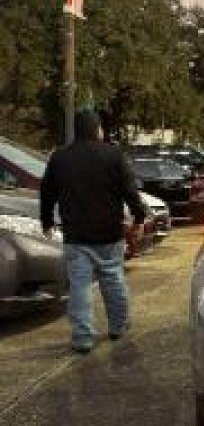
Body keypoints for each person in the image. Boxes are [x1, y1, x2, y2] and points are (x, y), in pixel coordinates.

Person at [40, 109, 146, 353]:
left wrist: (46, 221)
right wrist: (138, 218)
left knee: (79, 286)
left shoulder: (59, 158)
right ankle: (118, 327)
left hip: (76, 234)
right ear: (97, 129)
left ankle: (83, 338)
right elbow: (130, 192)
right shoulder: (114, 155)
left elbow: (47, 194)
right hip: (109, 233)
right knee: (114, 280)